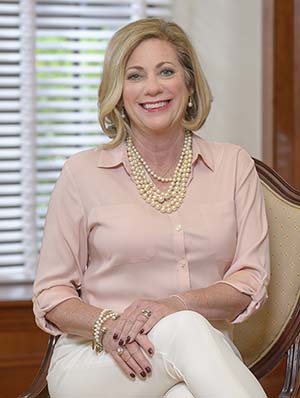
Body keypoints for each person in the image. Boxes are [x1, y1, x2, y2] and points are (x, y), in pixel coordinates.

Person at [33, 18, 270, 398]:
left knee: (184, 382)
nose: (153, 87)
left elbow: (248, 283)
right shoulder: (81, 174)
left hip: (202, 356)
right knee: (188, 330)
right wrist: (107, 326)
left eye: (166, 71)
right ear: (118, 92)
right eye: (135, 76)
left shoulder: (233, 165)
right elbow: (52, 294)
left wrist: (175, 305)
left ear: (189, 84)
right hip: (98, 359)